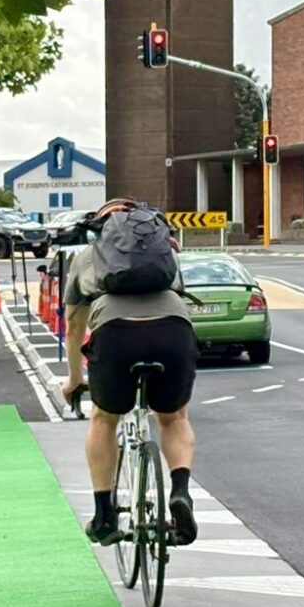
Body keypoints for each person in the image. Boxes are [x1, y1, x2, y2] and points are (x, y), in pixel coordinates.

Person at [59, 197, 199, 547]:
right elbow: (177, 292)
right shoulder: (163, 254)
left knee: (104, 419)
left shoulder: (86, 259)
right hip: (174, 329)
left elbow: (74, 328)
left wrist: (74, 379)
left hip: (115, 335)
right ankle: (180, 491)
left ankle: (104, 514)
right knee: (174, 417)